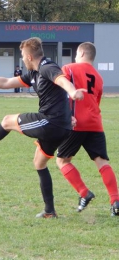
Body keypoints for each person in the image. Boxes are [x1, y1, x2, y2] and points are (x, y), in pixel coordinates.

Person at [0, 37, 85, 218]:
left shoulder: (46, 67)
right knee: (39, 163)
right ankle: (50, 211)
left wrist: (72, 91)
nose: (22, 60)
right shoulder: (33, 73)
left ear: (29, 56)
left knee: (7, 121)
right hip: (60, 127)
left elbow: (62, 79)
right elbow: (6, 83)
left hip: (51, 123)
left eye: (23, 57)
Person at [56, 42, 119, 217]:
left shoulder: (69, 68)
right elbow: (96, 102)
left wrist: (67, 116)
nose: (75, 57)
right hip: (95, 123)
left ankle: (84, 193)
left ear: (82, 53)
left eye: (76, 53)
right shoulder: (99, 77)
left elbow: (61, 93)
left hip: (76, 123)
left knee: (62, 161)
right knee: (102, 162)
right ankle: (116, 201)